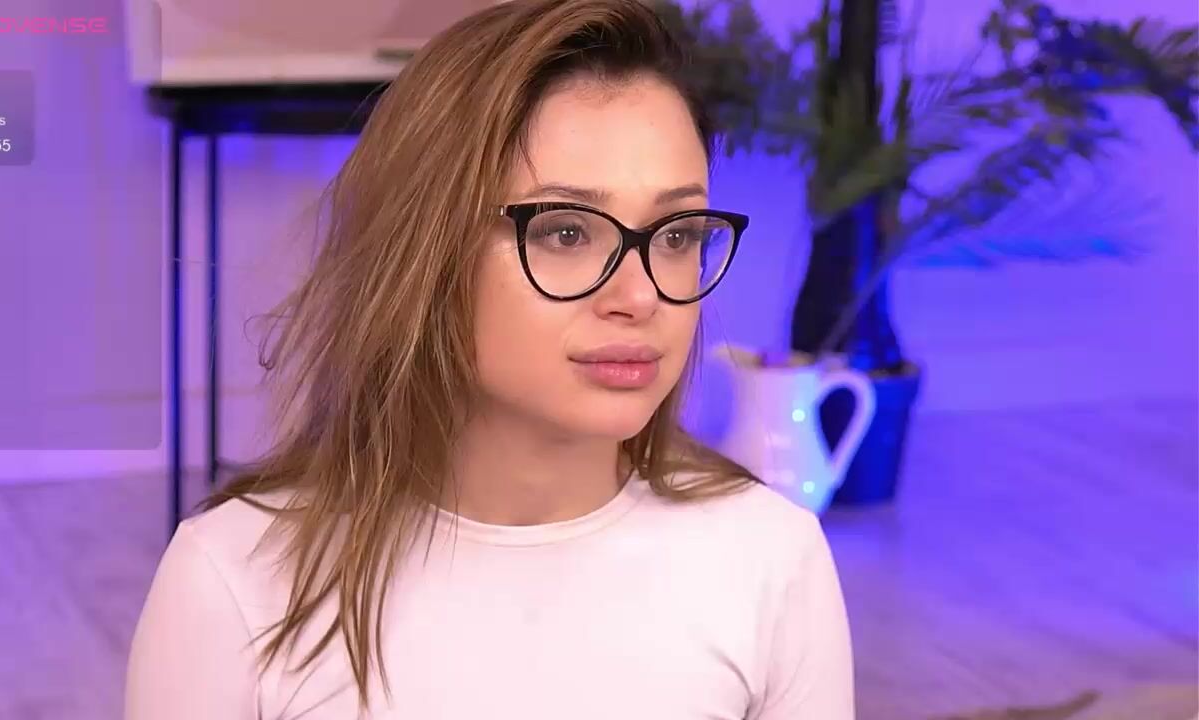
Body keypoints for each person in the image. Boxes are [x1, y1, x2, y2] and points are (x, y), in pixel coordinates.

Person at [124, 0, 854, 717]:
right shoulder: (231, 581)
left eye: (676, 234)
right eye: (566, 233)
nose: (639, 296)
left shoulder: (773, 560)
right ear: (425, 253)